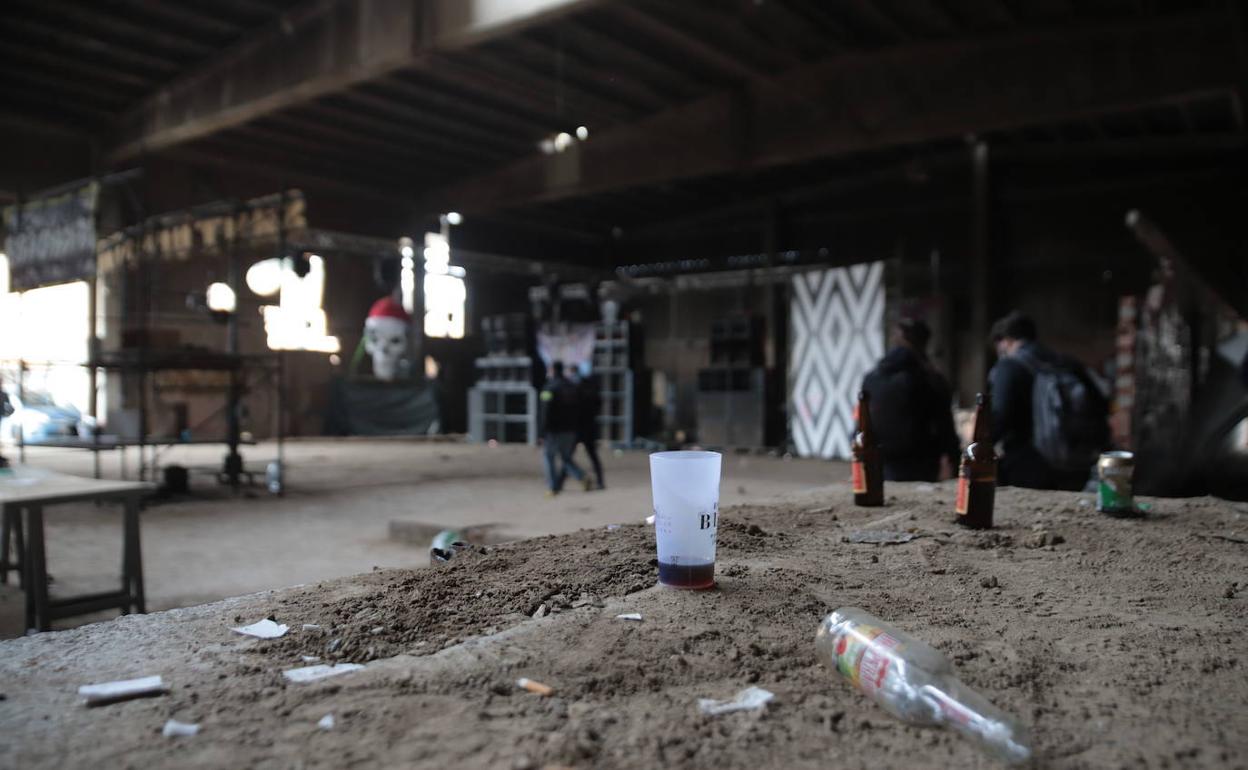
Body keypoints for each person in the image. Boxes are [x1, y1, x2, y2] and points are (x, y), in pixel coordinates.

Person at [988, 311, 1107, 490]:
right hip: (1076, 464)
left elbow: (1000, 417)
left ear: (1006, 341)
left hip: (1028, 465)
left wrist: (979, 446)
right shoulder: (1068, 363)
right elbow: (1101, 405)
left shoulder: (1009, 367)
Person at [860, 318, 960, 482]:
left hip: (879, 457)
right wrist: (954, 459)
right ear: (924, 342)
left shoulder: (871, 377)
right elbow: (944, 425)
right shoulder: (930, 379)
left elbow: (862, 418)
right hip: (920, 461)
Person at [540, 361, 589, 495]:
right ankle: (582, 477)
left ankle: (552, 487)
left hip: (554, 430)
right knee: (566, 457)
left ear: (552, 370)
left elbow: (546, 410)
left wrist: (542, 431)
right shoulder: (572, 386)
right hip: (571, 429)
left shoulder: (549, 388)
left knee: (548, 456)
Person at [571, 370, 605, 490]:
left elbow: (575, 410)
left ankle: (559, 483)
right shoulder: (595, 393)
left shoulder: (578, 391)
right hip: (591, 428)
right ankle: (600, 481)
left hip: (579, 428)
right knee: (593, 456)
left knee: (568, 457)